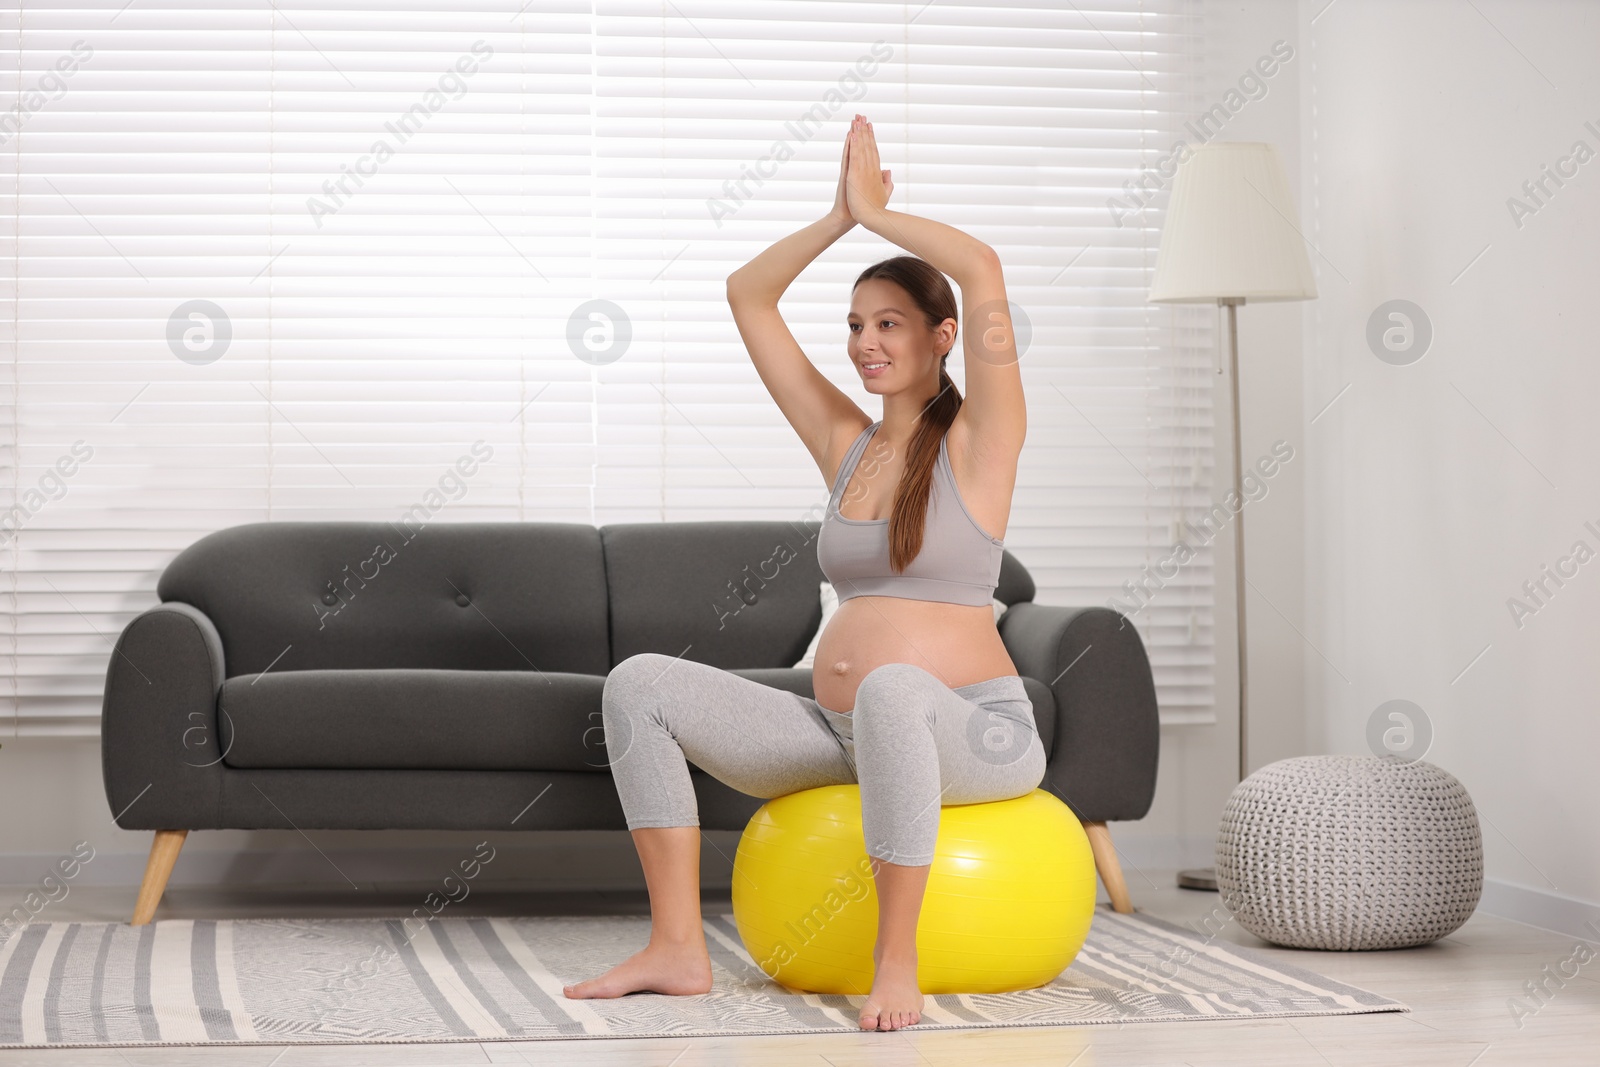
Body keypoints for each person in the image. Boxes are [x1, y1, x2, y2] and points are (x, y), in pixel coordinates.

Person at [562, 113, 1036, 1032]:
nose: (865, 341)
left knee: (897, 688)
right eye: (856, 324)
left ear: (945, 336)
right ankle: (676, 946)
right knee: (638, 686)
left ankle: (894, 960)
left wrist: (878, 212)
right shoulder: (845, 444)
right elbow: (747, 294)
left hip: (975, 732)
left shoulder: (983, 439)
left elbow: (981, 266)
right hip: (843, 729)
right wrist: (836, 221)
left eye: (889, 323)